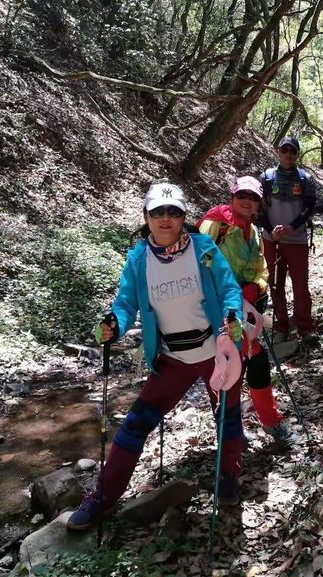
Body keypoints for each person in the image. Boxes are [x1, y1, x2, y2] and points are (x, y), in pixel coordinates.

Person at [67, 182, 245, 531]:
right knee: (135, 424)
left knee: (228, 416)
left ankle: (227, 476)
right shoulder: (138, 259)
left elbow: (228, 289)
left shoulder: (203, 248)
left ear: (183, 216)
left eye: (174, 212)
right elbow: (125, 305)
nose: (166, 218)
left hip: (216, 352)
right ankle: (103, 496)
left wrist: (232, 316)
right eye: (158, 212)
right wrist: (114, 326)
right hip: (171, 359)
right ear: (146, 216)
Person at [198, 176, 297, 448]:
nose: (247, 201)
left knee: (255, 361)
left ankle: (266, 422)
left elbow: (260, 268)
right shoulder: (215, 225)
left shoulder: (252, 232)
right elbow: (198, 265)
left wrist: (256, 286)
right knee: (227, 368)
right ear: (232, 196)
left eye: (253, 198)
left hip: (245, 310)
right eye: (242, 195)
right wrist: (231, 292)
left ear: (259, 204)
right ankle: (232, 431)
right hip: (216, 310)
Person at [258, 136, 318, 360]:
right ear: (278, 151)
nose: (288, 155)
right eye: (285, 150)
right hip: (271, 240)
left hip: (297, 240)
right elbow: (258, 208)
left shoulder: (305, 179)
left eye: (293, 151)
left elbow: (309, 208)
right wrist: (270, 229)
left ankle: (305, 327)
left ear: (297, 155)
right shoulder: (266, 177)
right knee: (275, 285)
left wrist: (291, 227)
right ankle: (280, 327)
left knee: (301, 285)